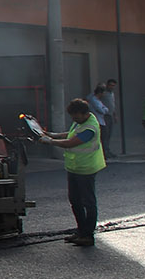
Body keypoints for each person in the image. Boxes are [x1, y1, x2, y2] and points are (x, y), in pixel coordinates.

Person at [40, 98, 105, 246]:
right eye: (73, 116)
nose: (74, 119)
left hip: (86, 168)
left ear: (84, 113)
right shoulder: (81, 121)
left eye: (76, 116)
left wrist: (49, 141)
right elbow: (70, 134)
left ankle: (88, 235)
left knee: (88, 202)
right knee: (75, 201)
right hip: (75, 167)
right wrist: (51, 134)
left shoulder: (90, 128)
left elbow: (70, 142)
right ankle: (81, 231)